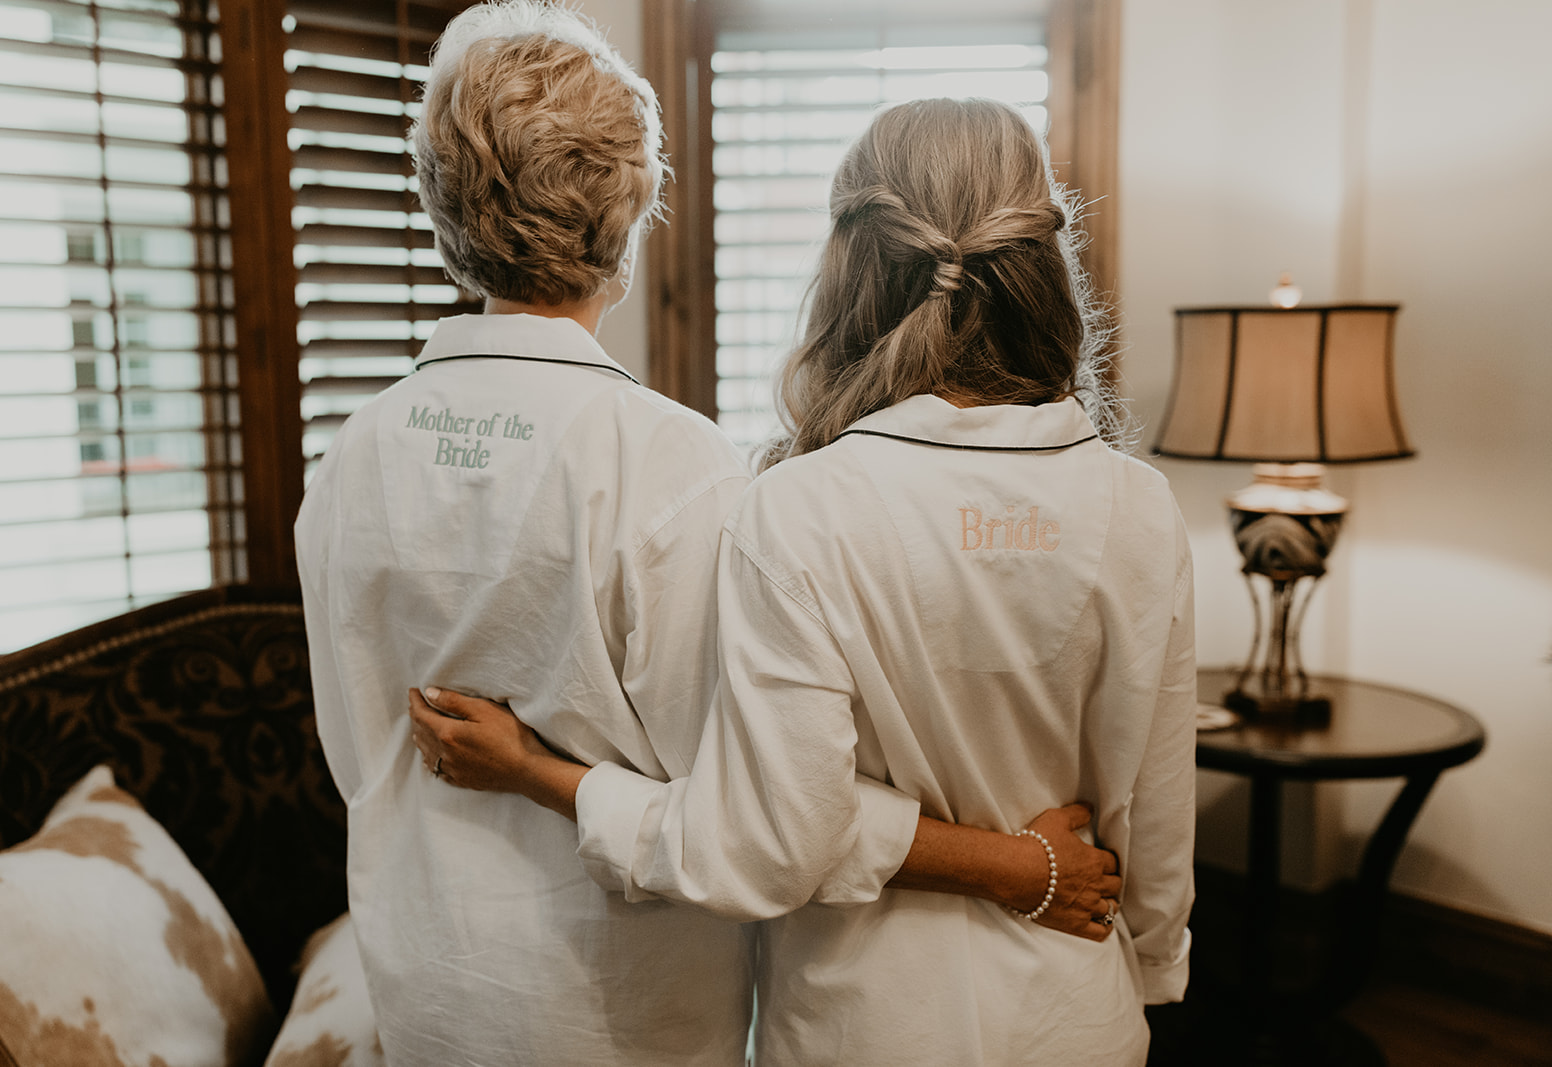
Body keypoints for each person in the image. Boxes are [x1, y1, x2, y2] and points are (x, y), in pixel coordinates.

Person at [298, 4, 1122, 1063]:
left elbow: (359, 750)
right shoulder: (672, 468)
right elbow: (761, 813)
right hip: (616, 1005)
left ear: (438, 204)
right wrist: (1007, 863)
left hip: (422, 979)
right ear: (633, 208)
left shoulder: (350, 457)